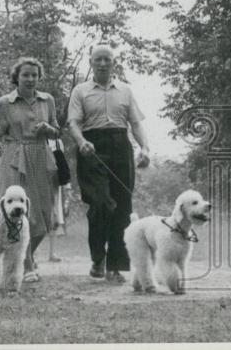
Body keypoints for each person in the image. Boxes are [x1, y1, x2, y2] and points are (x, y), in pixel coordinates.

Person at [67, 44, 152, 283]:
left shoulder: (125, 90)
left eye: (107, 59)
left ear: (113, 62)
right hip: (92, 148)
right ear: (91, 63)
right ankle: (98, 258)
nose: (103, 64)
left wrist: (145, 148)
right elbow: (73, 123)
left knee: (122, 206)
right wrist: (81, 141)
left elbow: (135, 124)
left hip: (120, 147)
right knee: (101, 204)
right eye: (98, 60)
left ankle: (116, 265)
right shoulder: (80, 91)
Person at [0, 57, 62, 285]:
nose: (30, 79)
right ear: (17, 77)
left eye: (34, 75)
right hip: (14, 159)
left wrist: (49, 128)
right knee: (14, 214)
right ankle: (26, 266)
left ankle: (27, 256)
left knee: (44, 216)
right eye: (25, 74)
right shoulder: (4, 103)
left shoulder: (48, 100)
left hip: (41, 158)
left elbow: (57, 131)